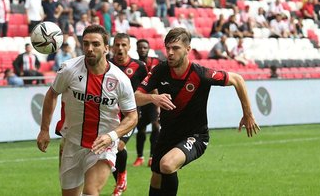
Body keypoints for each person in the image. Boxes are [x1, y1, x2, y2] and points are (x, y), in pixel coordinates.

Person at [134, 27, 260, 196]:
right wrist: (153, 98)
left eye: (175, 48)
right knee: (156, 177)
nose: (170, 53)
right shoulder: (159, 71)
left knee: (167, 165)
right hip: (167, 135)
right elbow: (135, 96)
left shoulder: (201, 74)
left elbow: (237, 79)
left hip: (195, 136)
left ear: (188, 50)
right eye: (167, 48)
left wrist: (248, 114)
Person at [36, 25, 138, 196]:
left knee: (90, 192)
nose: (90, 49)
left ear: (106, 48)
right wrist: (44, 130)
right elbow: (52, 95)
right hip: (72, 142)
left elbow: (132, 117)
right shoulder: (69, 69)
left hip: (102, 144)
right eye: (86, 44)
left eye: (96, 44)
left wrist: (111, 136)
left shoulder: (120, 80)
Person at [109, 33, 147, 196]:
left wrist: (156, 106)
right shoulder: (106, 65)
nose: (120, 48)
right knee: (109, 149)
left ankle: (121, 178)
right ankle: (119, 180)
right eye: (117, 45)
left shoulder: (139, 66)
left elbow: (150, 87)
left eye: (124, 45)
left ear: (129, 47)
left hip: (130, 115)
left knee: (118, 146)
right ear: (112, 47)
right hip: (110, 114)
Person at [133, 39, 161, 168]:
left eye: (145, 47)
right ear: (137, 49)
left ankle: (152, 157)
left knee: (156, 126)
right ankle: (140, 157)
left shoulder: (156, 62)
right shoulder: (136, 65)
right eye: (140, 48)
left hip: (154, 98)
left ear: (148, 49)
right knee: (141, 129)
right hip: (140, 99)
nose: (142, 50)